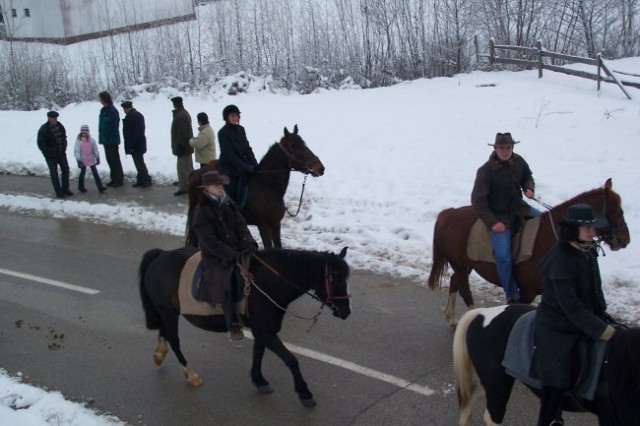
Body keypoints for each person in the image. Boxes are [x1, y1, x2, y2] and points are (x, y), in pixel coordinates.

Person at [533, 204, 618, 426]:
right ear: (573, 228)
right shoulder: (559, 259)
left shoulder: (587, 250)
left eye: (593, 228)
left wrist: (604, 316)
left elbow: (595, 289)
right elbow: (570, 307)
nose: (592, 232)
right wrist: (601, 330)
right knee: (557, 374)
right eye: (586, 228)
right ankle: (551, 418)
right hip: (557, 326)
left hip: (586, 317)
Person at [471, 132, 538, 303]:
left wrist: (529, 188)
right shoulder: (485, 172)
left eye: (508, 147)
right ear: (495, 149)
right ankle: (511, 294)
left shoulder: (519, 161)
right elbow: (478, 202)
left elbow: (527, 176)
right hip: (500, 217)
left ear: (513, 147)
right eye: (501, 148)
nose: (505, 151)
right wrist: (493, 223)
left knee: (548, 223)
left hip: (520, 209)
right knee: (503, 256)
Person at [190, 171, 258, 341]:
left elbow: (241, 225)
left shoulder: (228, 203)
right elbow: (210, 242)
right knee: (227, 283)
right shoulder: (201, 212)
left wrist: (249, 243)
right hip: (216, 258)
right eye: (216, 185)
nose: (220, 187)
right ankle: (233, 322)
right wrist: (232, 255)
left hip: (238, 250)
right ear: (206, 188)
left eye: (221, 184)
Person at [217, 104, 258, 203]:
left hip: (242, 162)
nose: (235, 118)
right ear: (226, 117)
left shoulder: (241, 129)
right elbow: (228, 154)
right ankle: (233, 209)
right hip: (229, 167)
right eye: (232, 116)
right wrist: (244, 166)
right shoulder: (223, 132)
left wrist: (255, 164)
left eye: (237, 115)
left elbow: (247, 149)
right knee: (232, 190)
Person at [37, 111, 72, 199]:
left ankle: (65, 189)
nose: (54, 120)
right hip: (50, 156)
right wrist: (49, 152)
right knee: (54, 173)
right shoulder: (44, 129)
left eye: (56, 118)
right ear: (49, 118)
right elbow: (41, 143)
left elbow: (64, 137)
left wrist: (64, 146)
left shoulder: (60, 126)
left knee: (66, 170)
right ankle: (58, 192)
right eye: (53, 118)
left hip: (61, 153)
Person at [121, 101, 152, 188]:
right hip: (140, 143)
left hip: (136, 145)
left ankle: (146, 179)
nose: (123, 110)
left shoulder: (131, 117)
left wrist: (131, 146)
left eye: (124, 109)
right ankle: (141, 179)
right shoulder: (138, 115)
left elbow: (133, 133)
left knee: (139, 163)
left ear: (127, 108)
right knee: (139, 162)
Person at [98, 91, 124, 187]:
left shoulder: (112, 110)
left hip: (112, 140)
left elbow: (114, 126)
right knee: (109, 160)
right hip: (106, 140)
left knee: (115, 160)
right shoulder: (103, 110)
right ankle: (113, 178)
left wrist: (108, 135)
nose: (100, 100)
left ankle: (119, 179)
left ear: (105, 99)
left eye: (100, 98)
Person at [170, 96, 194, 196]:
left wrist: (180, 146)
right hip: (185, 147)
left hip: (184, 148)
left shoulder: (181, 116)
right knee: (182, 168)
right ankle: (184, 186)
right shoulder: (182, 113)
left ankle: (190, 186)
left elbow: (182, 134)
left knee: (186, 169)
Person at [73, 124, 106, 194]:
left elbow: (95, 149)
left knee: (95, 173)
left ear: (88, 132)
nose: (84, 134)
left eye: (85, 132)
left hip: (91, 159)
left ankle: (100, 187)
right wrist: (79, 160)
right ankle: (81, 187)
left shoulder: (92, 141)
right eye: (83, 133)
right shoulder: (79, 141)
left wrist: (97, 157)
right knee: (82, 174)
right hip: (83, 160)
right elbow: (77, 151)